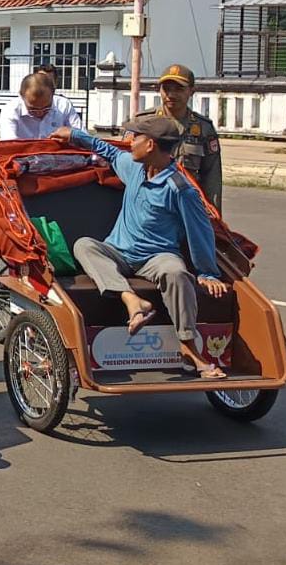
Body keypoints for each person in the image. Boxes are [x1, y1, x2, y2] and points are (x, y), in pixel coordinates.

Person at [53, 117, 229, 379]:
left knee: (177, 273)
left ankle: (189, 346)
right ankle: (131, 300)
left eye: (135, 138)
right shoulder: (134, 168)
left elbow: (199, 231)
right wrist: (75, 135)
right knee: (84, 245)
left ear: (150, 145)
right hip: (117, 251)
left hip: (157, 257)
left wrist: (208, 272)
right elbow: (109, 152)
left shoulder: (181, 189)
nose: (130, 143)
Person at [132, 65, 223, 212]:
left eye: (179, 89)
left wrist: (213, 217)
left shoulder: (204, 129)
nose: (171, 95)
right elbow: (128, 165)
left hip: (186, 206)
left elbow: (212, 178)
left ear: (191, 91)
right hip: (149, 204)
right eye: (166, 89)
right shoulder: (143, 124)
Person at [0, 72, 83, 140]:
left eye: (46, 108)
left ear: (53, 94)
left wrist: (71, 136)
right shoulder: (10, 110)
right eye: (32, 109)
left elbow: (83, 138)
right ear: (21, 95)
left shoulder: (64, 105)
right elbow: (8, 145)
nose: (40, 112)